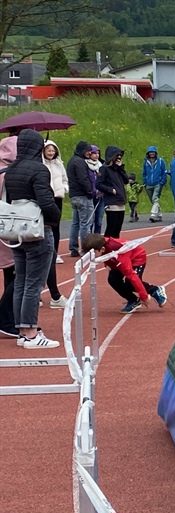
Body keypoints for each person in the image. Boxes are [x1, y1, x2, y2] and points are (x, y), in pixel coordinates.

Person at [5, 129, 62, 349]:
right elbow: (46, 202)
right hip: (38, 229)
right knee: (33, 284)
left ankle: (22, 331)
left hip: (17, 231)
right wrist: (54, 219)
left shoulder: (12, 169)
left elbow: (10, 199)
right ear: (38, 147)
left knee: (20, 281)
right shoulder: (39, 169)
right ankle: (31, 333)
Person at [81, 233, 168, 313]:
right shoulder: (100, 244)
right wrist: (107, 264)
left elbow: (132, 276)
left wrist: (144, 296)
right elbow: (105, 254)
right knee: (113, 280)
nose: (90, 255)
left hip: (136, 258)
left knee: (130, 283)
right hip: (114, 259)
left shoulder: (119, 257)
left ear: (102, 249)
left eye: (93, 253)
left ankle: (155, 290)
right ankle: (133, 300)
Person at [41, 139, 67, 308]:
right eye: (48, 150)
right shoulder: (40, 166)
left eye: (53, 150)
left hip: (57, 199)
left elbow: (65, 179)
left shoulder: (59, 164)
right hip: (45, 201)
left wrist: (64, 189)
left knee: (55, 232)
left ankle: (55, 251)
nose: (51, 152)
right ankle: (53, 295)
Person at [0, 135, 18, 337]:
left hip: (2, 226)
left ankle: (10, 317)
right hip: (14, 226)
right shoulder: (12, 173)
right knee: (21, 274)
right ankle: (5, 316)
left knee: (10, 273)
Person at [66, 141, 95, 257]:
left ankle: (73, 248)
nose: (89, 153)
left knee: (76, 223)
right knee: (85, 223)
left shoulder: (71, 161)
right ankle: (86, 249)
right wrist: (90, 192)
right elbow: (83, 179)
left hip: (74, 195)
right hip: (83, 196)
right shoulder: (80, 162)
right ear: (83, 151)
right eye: (88, 151)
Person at [95, 146, 128, 238]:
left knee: (118, 227)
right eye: (117, 156)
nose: (119, 158)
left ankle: (115, 246)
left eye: (120, 156)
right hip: (112, 201)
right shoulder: (104, 169)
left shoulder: (118, 169)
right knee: (111, 227)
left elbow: (126, 180)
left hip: (121, 200)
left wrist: (121, 168)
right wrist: (110, 190)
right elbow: (98, 184)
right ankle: (106, 247)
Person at [142, 145, 168, 222]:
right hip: (148, 184)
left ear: (155, 153)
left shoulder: (160, 161)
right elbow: (144, 173)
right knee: (153, 201)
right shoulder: (146, 162)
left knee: (155, 199)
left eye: (153, 152)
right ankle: (159, 215)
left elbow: (164, 172)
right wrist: (145, 182)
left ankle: (153, 214)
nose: (152, 154)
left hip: (158, 183)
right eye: (150, 152)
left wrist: (162, 182)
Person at [86, 145, 104, 234]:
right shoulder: (85, 165)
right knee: (90, 221)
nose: (96, 155)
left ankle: (97, 240)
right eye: (94, 153)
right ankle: (90, 241)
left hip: (101, 196)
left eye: (98, 153)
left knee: (99, 221)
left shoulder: (101, 165)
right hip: (91, 196)